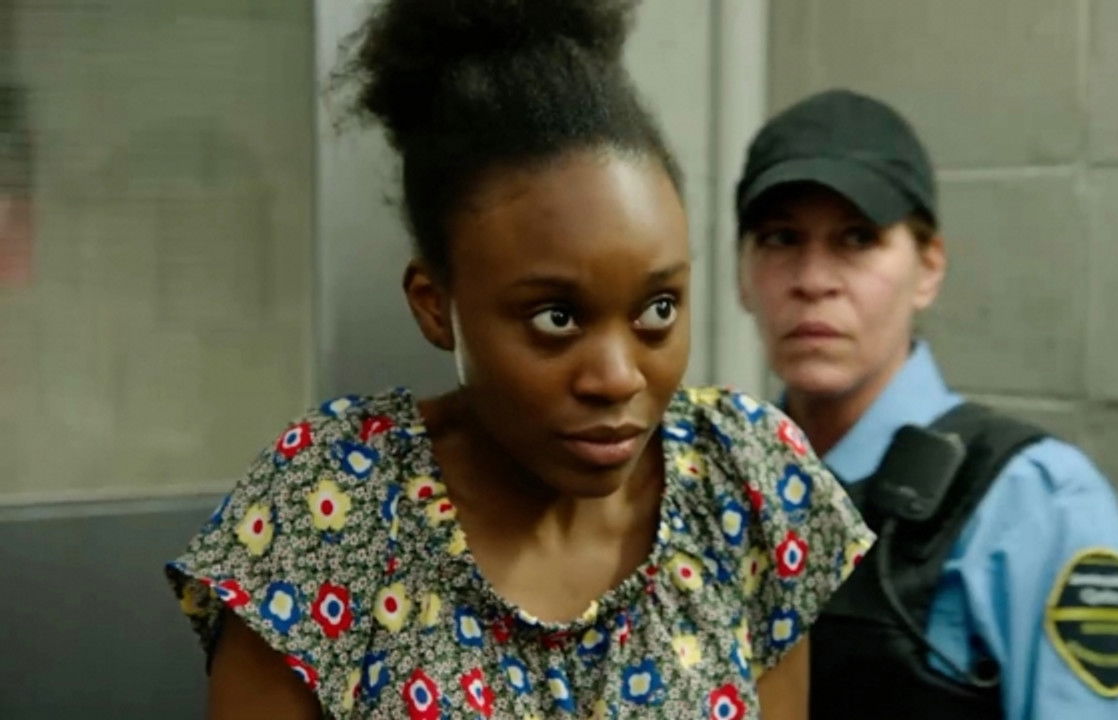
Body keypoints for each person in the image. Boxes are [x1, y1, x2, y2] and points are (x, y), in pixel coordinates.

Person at [164, 3, 874, 719]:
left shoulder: (743, 482)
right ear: (435, 305)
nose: (618, 377)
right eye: (555, 319)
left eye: (658, 309)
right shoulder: (331, 511)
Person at [734, 89, 1118, 719]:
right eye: (780, 238)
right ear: (741, 273)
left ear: (928, 268)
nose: (813, 279)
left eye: (857, 238)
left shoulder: (1033, 503)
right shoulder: (712, 489)